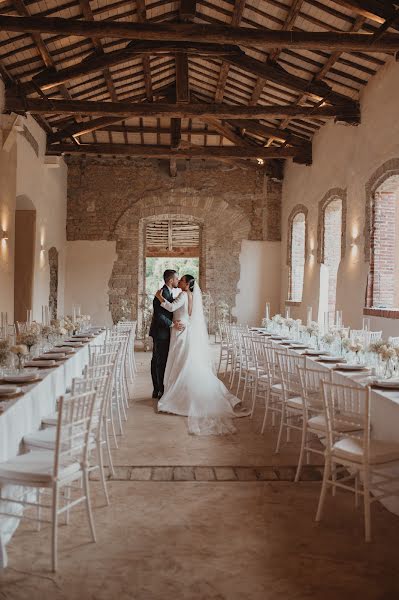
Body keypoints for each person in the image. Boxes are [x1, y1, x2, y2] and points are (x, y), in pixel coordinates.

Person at [155, 274, 249, 435]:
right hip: (184, 327)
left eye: (182, 280)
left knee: (180, 361)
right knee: (183, 360)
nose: (180, 282)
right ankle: (181, 387)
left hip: (180, 331)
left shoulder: (184, 295)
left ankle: (179, 392)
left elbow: (171, 308)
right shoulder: (190, 295)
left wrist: (159, 297)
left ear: (187, 284)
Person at [149, 269, 184, 400]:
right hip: (160, 333)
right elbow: (158, 315)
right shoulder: (162, 293)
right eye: (176, 279)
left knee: (158, 360)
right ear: (170, 280)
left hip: (163, 332)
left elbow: (170, 306)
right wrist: (172, 324)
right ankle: (158, 390)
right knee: (159, 361)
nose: (178, 281)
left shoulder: (168, 293)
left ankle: (158, 388)